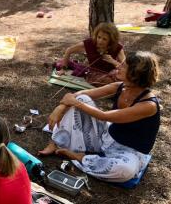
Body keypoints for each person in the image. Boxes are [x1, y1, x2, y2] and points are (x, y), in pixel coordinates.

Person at [39, 51, 160, 183]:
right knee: (82, 98)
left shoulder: (149, 105)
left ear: (136, 73)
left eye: (124, 66)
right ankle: (56, 142)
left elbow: (105, 116)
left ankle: (80, 157)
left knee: (126, 171)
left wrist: (75, 102)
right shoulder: (120, 87)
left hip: (130, 153)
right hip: (107, 138)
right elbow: (78, 95)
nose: (118, 66)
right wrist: (60, 108)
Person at [55, 22, 126, 86]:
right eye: (99, 37)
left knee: (122, 78)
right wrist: (63, 69)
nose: (100, 41)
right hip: (94, 74)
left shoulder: (116, 47)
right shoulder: (90, 43)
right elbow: (69, 50)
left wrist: (112, 61)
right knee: (110, 82)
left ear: (111, 40)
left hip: (112, 73)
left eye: (104, 39)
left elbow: (126, 67)